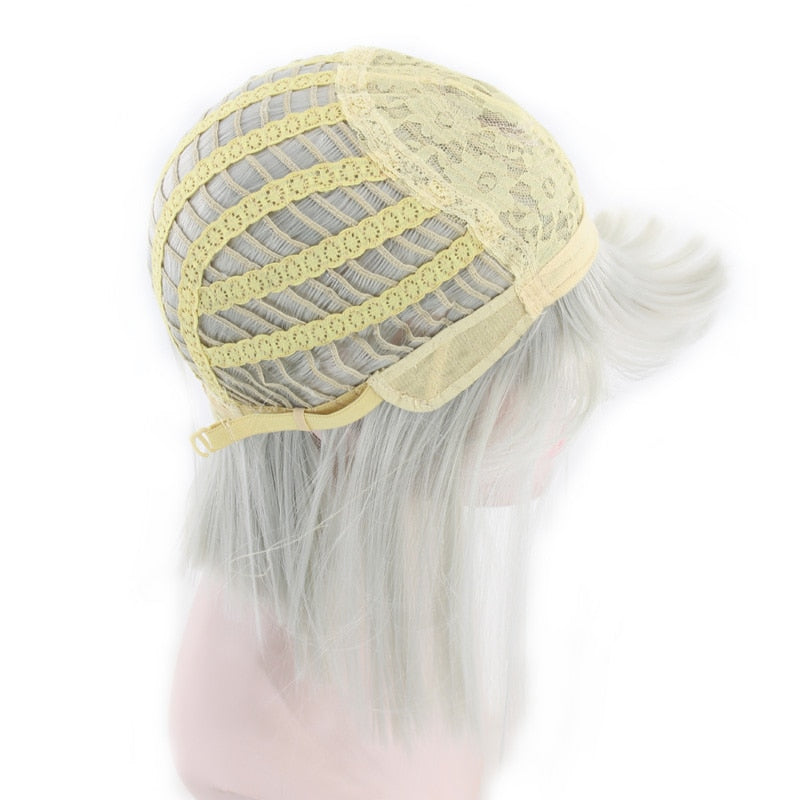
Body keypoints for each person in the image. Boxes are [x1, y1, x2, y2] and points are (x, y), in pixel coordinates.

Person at [149, 47, 723, 799]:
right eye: (516, 361)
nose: (573, 393)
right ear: (358, 392)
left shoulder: (384, 579)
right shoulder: (280, 745)